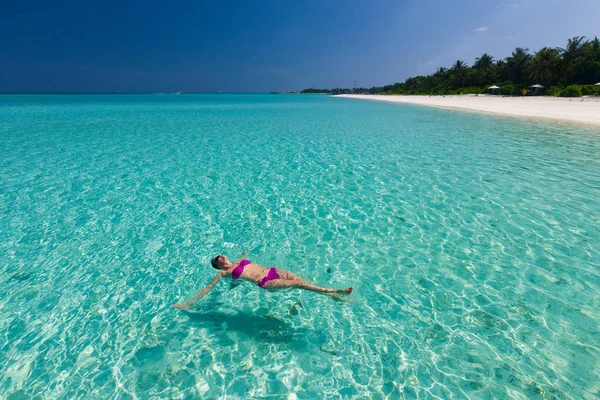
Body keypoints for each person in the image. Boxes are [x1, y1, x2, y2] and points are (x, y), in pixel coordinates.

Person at [172, 252, 353, 309]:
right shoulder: (223, 274)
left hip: (272, 271)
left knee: (301, 279)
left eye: (219, 254)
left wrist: (244, 253)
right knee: (300, 285)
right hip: (265, 281)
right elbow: (208, 288)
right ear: (218, 265)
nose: (219, 256)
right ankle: (336, 291)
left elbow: (244, 259)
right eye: (217, 258)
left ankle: (332, 296)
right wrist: (188, 303)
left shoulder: (236, 261)